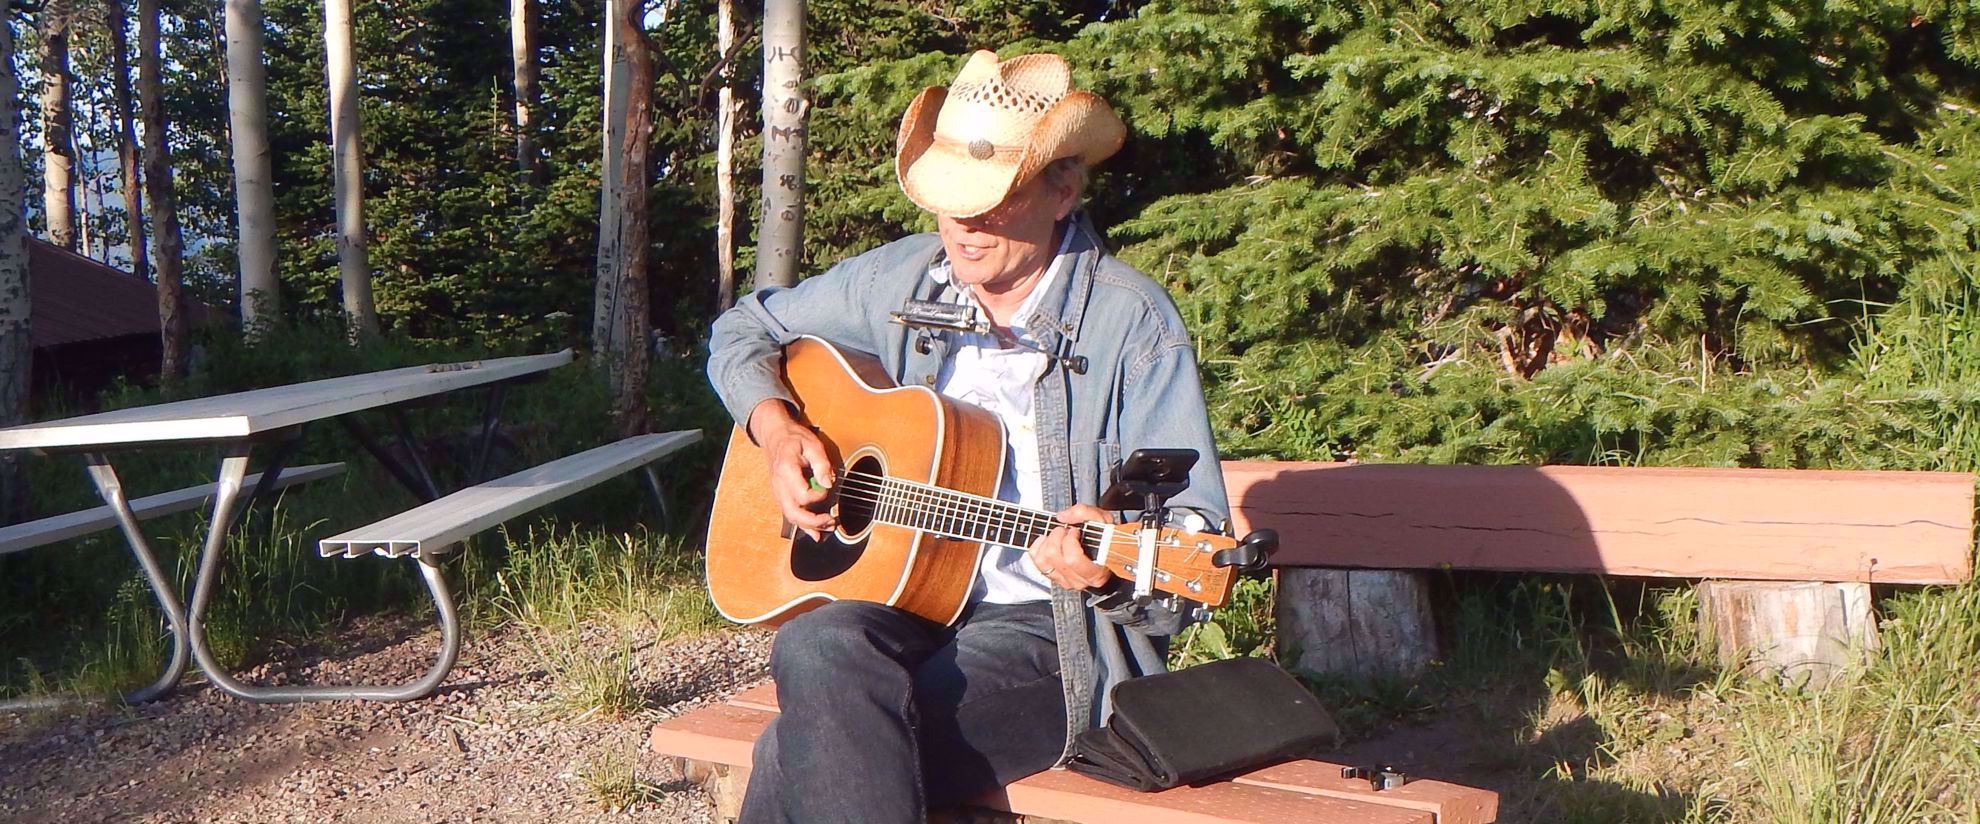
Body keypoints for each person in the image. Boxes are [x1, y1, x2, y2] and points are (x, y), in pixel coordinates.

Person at [705, 48, 1230, 823]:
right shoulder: (902, 279)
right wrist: (777, 431)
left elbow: (1190, 541)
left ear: (1062, 191)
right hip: (909, 607)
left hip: (1054, 635)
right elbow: (742, 330)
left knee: (802, 745)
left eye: (992, 199)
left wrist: (1104, 569)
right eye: (949, 199)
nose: (964, 225)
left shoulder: (1132, 323)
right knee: (815, 646)